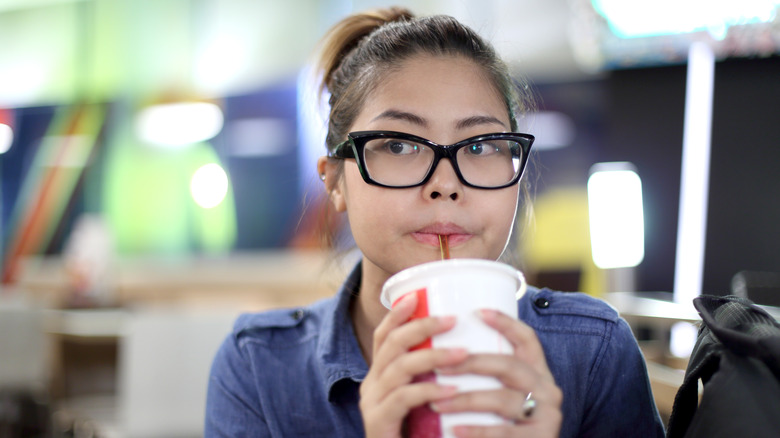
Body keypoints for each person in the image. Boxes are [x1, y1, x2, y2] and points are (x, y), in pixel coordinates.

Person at [205, 6, 665, 438]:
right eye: (400, 145)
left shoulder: (593, 352)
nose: (445, 184)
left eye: (481, 146)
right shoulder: (261, 368)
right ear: (335, 183)